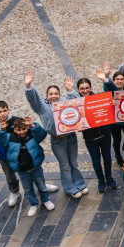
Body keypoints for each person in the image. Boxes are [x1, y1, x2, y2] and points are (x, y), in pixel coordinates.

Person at [24, 70, 89, 198]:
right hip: (57, 140)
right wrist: (28, 87)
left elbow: (78, 104)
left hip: (71, 137)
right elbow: (34, 100)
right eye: (51, 94)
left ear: (59, 94)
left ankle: (79, 183)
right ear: (47, 95)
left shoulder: (64, 102)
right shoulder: (42, 107)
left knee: (74, 163)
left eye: (56, 94)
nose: (53, 96)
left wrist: (70, 90)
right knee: (65, 165)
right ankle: (70, 188)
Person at [0, 100, 56, 207]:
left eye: (4, 110)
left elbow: (32, 132)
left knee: (35, 172)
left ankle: (42, 186)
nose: (2, 114)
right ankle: (15, 191)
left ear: (8, 110)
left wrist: (32, 125)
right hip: (4, 156)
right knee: (10, 176)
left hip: (23, 155)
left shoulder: (16, 120)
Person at [65, 75, 117, 193]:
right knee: (95, 161)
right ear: (78, 90)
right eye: (82, 88)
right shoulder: (76, 102)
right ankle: (100, 180)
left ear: (91, 87)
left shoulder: (99, 98)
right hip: (90, 138)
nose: (85, 90)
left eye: (87, 88)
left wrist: (106, 80)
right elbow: (70, 114)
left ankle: (109, 177)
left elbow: (114, 92)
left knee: (108, 158)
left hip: (105, 134)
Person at [0, 115, 54, 216]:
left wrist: (32, 125)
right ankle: (33, 204)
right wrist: (1, 129)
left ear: (27, 127)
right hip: (22, 171)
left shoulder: (32, 134)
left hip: (35, 167)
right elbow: (1, 140)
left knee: (42, 186)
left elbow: (42, 135)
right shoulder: (10, 138)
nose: (22, 132)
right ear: (14, 129)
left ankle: (45, 200)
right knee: (28, 189)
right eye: (19, 130)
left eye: (24, 129)